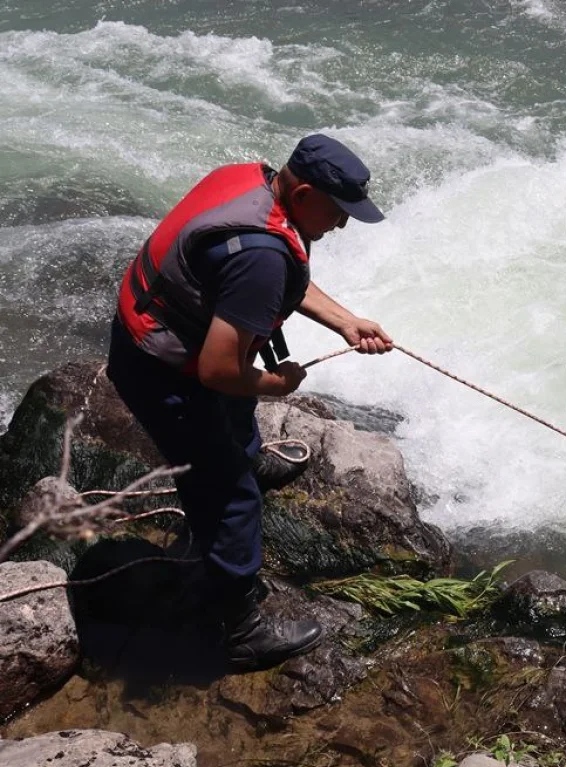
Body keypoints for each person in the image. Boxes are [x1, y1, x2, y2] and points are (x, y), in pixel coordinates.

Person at [105, 134, 394, 672]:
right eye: (339, 212)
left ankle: (248, 457)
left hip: (152, 334)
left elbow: (271, 271)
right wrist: (274, 386)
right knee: (231, 499)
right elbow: (219, 369)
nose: (342, 225)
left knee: (234, 424)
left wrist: (346, 321)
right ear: (305, 193)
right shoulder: (259, 258)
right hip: (163, 371)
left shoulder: (251, 183)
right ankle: (240, 629)